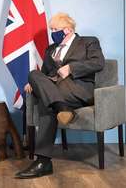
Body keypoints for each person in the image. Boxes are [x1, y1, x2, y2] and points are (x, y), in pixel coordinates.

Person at [15, 12, 105, 179]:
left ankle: (43, 162)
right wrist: (35, 83)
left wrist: (71, 68)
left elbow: (98, 63)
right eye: (51, 29)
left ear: (68, 30)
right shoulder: (50, 49)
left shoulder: (88, 42)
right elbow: (45, 74)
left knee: (45, 103)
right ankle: (61, 108)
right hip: (56, 91)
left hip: (78, 89)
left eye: (55, 29)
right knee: (33, 75)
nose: (52, 33)